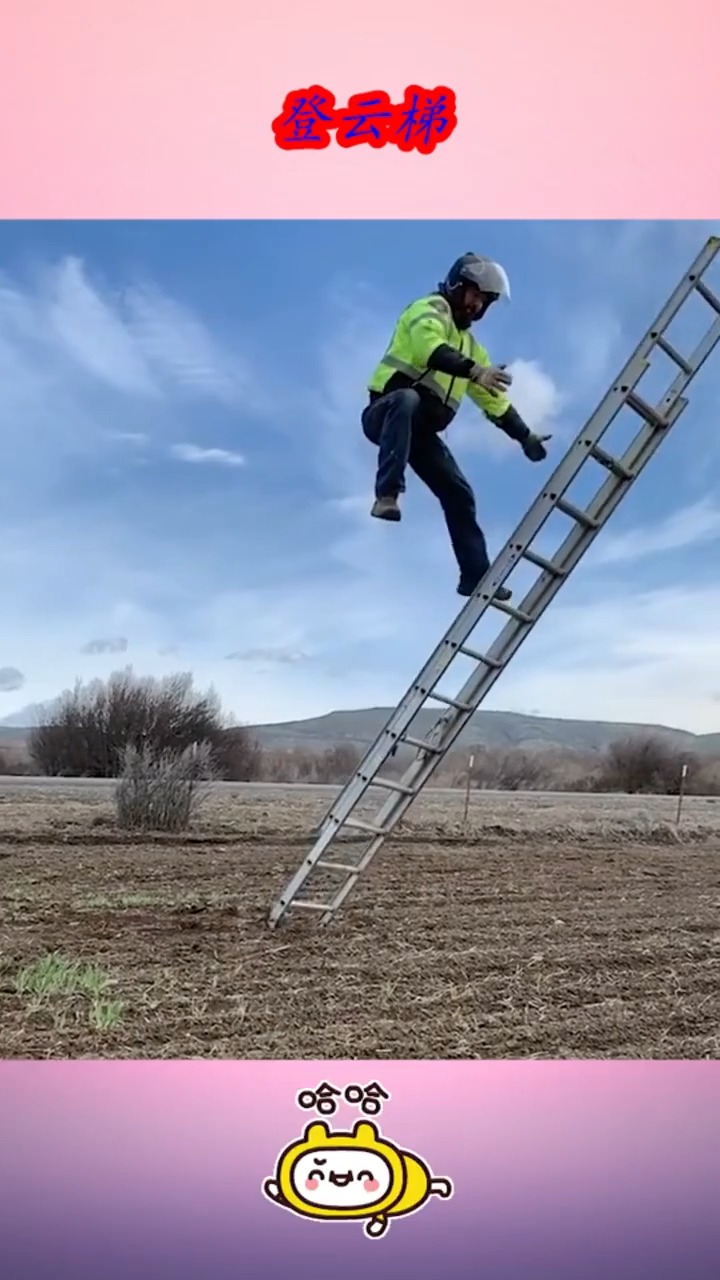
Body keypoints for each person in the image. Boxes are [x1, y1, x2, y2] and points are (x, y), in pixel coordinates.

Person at [362, 252, 551, 600]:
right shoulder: (429, 310)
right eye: (474, 295)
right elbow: (429, 348)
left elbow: (493, 400)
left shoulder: (473, 349)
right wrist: (474, 371)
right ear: (456, 286)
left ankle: (475, 577)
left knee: (459, 494)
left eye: (485, 302)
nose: (477, 306)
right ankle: (387, 495)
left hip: (420, 435)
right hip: (386, 414)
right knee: (407, 399)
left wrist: (524, 436)